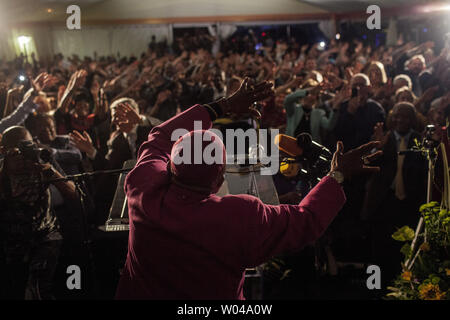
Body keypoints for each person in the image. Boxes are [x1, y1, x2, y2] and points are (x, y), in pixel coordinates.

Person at [115, 78, 382, 299]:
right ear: (220, 179)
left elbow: (159, 137)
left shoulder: (143, 186)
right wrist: (337, 176)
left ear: (171, 166)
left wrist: (224, 105)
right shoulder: (240, 215)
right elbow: (307, 221)